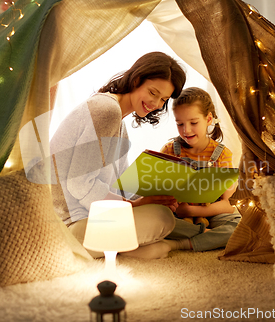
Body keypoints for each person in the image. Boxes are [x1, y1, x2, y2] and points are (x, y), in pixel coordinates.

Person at [49, 52, 186, 259]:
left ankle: (128, 249)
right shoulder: (106, 110)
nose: (156, 104)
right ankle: (169, 245)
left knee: (162, 212)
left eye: (163, 99)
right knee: (162, 218)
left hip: (87, 218)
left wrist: (151, 197)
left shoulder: (117, 119)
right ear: (137, 79)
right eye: (153, 92)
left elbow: (120, 184)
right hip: (71, 227)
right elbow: (79, 184)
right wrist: (135, 205)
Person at [159, 87, 241, 252]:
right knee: (155, 220)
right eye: (179, 124)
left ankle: (182, 243)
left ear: (209, 119)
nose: (186, 130)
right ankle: (205, 235)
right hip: (177, 215)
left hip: (211, 211)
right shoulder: (169, 150)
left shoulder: (222, 153)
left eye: (193, 123)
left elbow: (226, 203)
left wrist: (190, 210)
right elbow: (160, 191)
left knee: (239, 228)